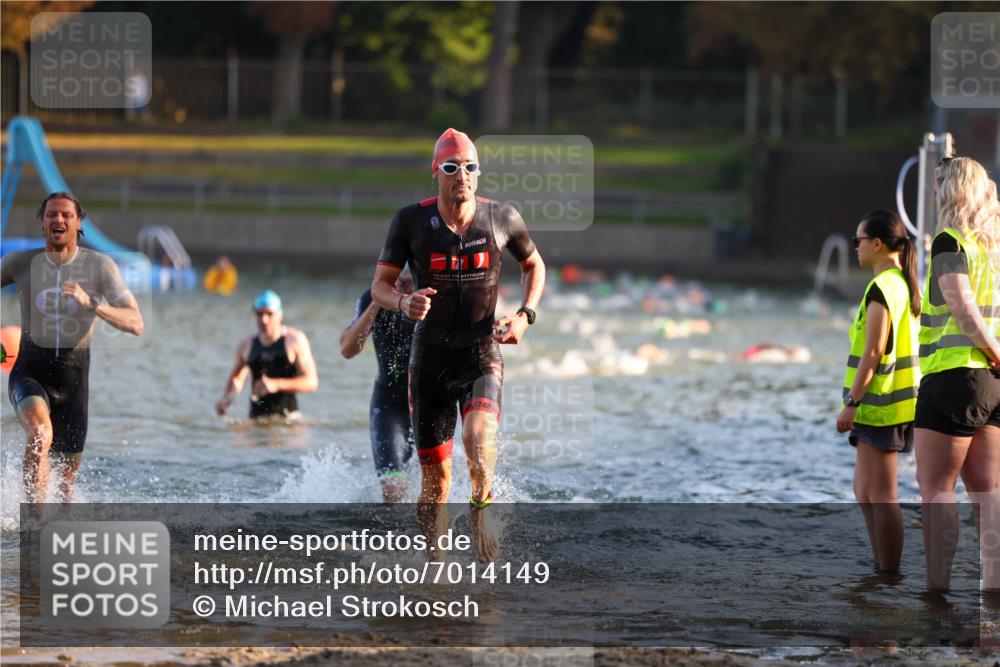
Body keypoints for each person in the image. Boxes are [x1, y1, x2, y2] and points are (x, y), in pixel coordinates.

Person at [371, 128, 546, 561]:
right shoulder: (409, 221)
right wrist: (403, 301)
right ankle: (436, 569)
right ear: (436, 173)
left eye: (470, 167)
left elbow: (533, 264)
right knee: (436, 485)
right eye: (451, 167)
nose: (461, 175)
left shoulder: (502, 217)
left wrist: (526, 315)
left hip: (480, 355)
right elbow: (380, 285)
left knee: (477, 435)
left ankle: (481, 510)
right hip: (429, 362)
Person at [1, 192, 144, 502]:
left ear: (79, 223)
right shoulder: (20, 262)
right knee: (40, 435)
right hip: (29, 373)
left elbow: (135, 322)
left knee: (66, 490)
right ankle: (33, 523)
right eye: (51, 214)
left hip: (74, 384)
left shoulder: (100, 267)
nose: (59, 220)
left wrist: (91, 303)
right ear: (42, 222)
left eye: (67, 215)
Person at [914, 156, 1000, 591]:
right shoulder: (995, 246)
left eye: (937, 186)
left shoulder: (950, 242)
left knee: (936, 489)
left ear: (951, 191)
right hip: (995, 384)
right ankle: (994, 588)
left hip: (954, 375)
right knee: (989, 492)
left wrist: (992, 348)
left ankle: (937, 588)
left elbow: (961, 306)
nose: (932, 194)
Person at [835, 210, 921, 574]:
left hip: (881, 404)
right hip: (887, 405)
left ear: (877, 243)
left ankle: (889, 575)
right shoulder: (900, 284)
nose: (855, 248)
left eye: (859, 241)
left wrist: (852, 402)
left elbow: (874, 349)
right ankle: (881, 568)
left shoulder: (884, 287)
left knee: (882, 495)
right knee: (864, 491)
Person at [340, 272, 416, 502]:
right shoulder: (371, 298)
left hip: (430, 404)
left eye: (407, 281)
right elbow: (347, 349)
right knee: (392, 489)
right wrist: (378, 300)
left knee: (438, 483)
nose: (401, 285)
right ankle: (397, 537)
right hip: (389, 402)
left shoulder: (435, 295)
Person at [216, 290, 318, 420]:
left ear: (280, 315)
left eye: (269, 314)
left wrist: (276, 385)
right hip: (256, 421)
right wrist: (227, 399)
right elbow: (237, 378)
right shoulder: (246, 344)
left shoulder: (294, 340)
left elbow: (311, 382)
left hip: (289, 422)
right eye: (259, 314)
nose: (264, 320)